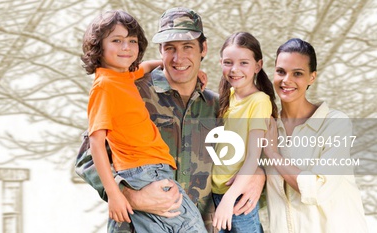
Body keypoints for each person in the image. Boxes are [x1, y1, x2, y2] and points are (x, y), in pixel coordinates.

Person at [77, 7, 267, 232]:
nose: (178, 58)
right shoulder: (130, 91)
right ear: (160, 51)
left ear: (203, 49)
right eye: (170, 48)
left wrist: (260, 175)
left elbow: (250, 155)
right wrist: (127, 194)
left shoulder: (219, 108)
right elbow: (86, 157)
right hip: (137, 225)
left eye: (188, 47)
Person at [82, 10, 205, 232]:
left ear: (203, 50)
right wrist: (119, 194)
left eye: (132, 41)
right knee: (190, 227)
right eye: (117, 41)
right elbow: (92, 148)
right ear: (98, 47)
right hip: (145, 173)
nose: (126, 47)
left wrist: (172, 66)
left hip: (155, 173)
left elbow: (144, 66)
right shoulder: (108, 87)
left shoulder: (124, 77)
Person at [262, 38, 367, 232]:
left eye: (298, 73)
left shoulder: (335, 124)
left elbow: (316, 189)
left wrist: (273, 154)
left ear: (312, 77)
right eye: (281, 71)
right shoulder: (268, 127)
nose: (287, 80)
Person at [211, 32, 277, 232]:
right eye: (228, 62)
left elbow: (252, 157)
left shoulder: (259, 101)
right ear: (221, 62)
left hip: (238, 195)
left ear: (258, 65)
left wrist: (229, 199)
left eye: (244, 63)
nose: (234, 70)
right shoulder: (227, 96)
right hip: (217, 191)